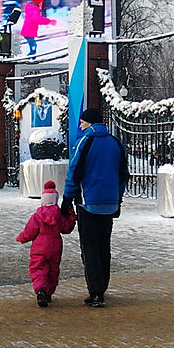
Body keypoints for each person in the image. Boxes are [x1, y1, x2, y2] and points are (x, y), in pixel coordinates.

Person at [62, 108, 130, 308]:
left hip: (88, 203)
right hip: (109, 204)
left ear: (89, 123)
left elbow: (74, 172)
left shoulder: (84, 142)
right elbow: (123, 174)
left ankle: (96, 292)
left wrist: (67, 200)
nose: (80, 126)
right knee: (103, 246)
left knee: (89, 248)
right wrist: (117, 199)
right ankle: (103, 286)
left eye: (82, 122)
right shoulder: (116, 143)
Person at [16, 180, 76, 307]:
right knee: (53, 270)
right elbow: (66, 228)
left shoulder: (37, 216)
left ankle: (41, 290)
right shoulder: (59, 215)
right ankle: (49, 292)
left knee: (38, 268)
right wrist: (71, 218)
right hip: (55, 246)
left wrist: (21, 238)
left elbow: (29, 232)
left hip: (40, 247)